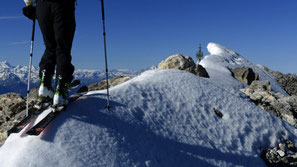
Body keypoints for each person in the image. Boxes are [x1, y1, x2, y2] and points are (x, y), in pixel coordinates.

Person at [22, 0, 76, 106]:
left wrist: (29, 5)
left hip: (42, 6)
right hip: (62, 5)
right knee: (62, 47)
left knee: (50, 46)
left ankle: (45, 84)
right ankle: (61, 88)